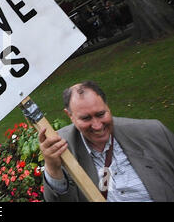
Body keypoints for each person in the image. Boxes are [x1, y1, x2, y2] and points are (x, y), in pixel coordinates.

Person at [40, 81, 174, 202]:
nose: (97, 126)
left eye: (100, 114)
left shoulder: (152, 133)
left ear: (107, 106)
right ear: (70, 116)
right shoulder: (60, 146)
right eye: (86, 118)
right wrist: (52, 168)